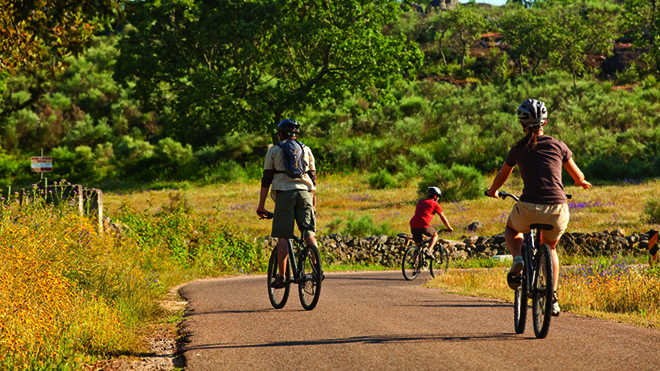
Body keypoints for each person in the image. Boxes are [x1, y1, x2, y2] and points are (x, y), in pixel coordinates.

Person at [485, 98, 592, 316]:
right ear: (545, 122)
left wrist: (493, 191)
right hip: (557, 210)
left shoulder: (517, 149)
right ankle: (552, 298)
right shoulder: (558, 145)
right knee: (550, 247)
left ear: (521, 124)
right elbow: (578, 175)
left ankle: (517, 258)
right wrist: (581, 182)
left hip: (529, 207)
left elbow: (502, 175)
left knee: (512, 229)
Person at [256, 119, 318, 288]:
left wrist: (261, 206)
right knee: (308, 232)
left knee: (283, 235)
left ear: (280, 134)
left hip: (285, 194)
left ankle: (282, 276)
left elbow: (267, 178)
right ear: (296, 135)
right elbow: (313, 179)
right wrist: (312, 204)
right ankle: (317, 269)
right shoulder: (306, 150)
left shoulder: (274, 150)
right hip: (305, 193)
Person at [409, 186, 454, 260]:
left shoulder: (420, 202)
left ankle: (415, 266)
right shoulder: (434, 204)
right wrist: (449, 227)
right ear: (435, 196)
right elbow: (442, 217)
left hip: (413, 225)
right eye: (438, 197)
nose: (438, 199)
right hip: (424, 224)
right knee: (435, 234)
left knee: (418, 247)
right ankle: (429, 251)